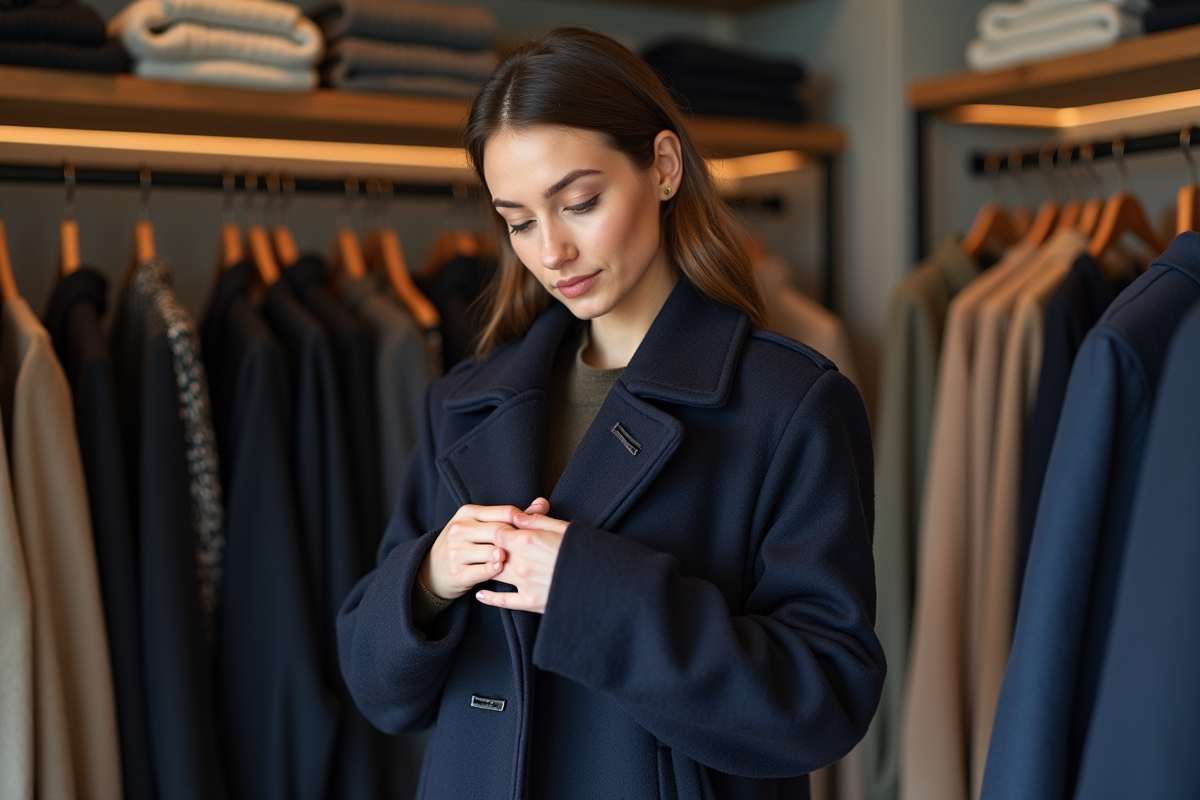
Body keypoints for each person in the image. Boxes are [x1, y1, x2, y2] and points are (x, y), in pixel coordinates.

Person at [337, 27, 884, 799]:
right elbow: (377, 689)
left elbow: (825, 700)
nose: (551, 249)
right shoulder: (463, 401)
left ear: (663, 167)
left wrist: (594, 592)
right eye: (519, 221)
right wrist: (426, 579)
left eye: (581, 202)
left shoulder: (788, 402)